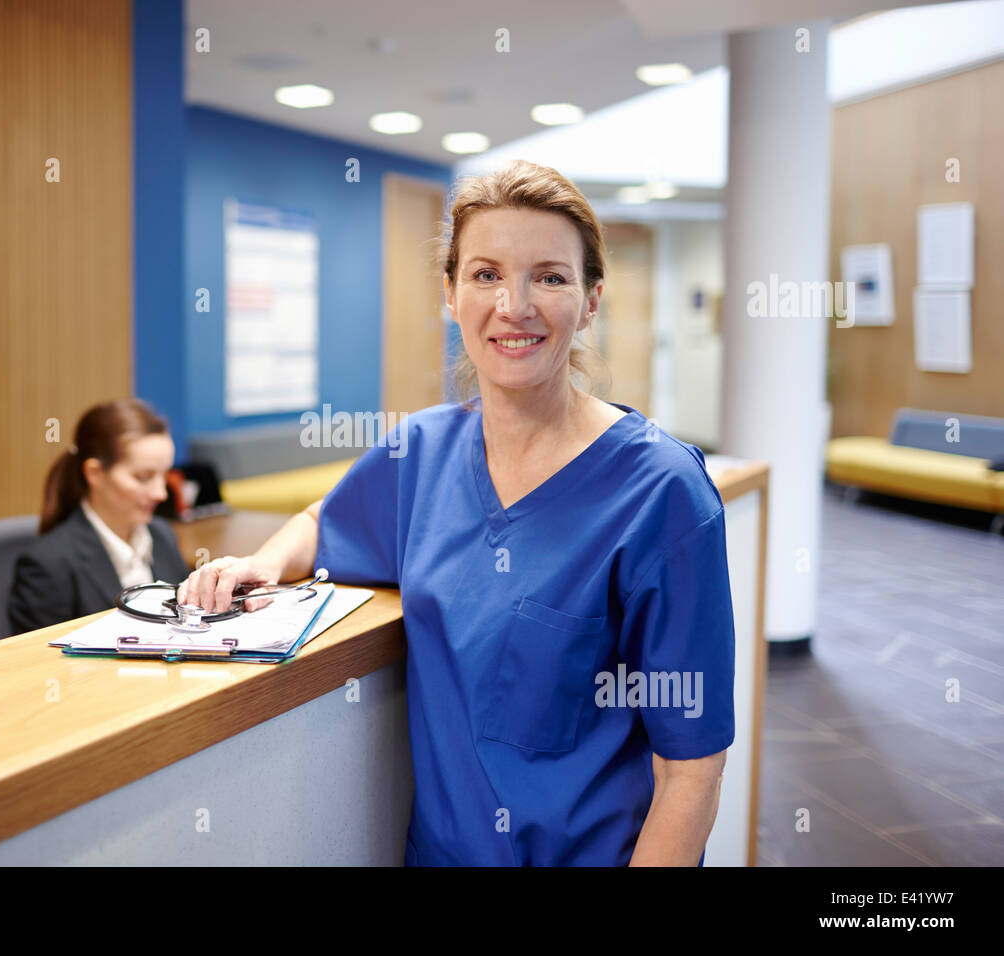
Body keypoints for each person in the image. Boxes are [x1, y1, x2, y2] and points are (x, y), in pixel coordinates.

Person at [178, 159, 735, 866]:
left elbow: (692, 770)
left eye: (551, 276)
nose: (515, 305)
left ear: (592, 300)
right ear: (449, 293)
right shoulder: (421, 452)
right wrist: (263, 563)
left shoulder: (661, 492)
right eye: (486, 274)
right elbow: (326, 520)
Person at [8, 398, 190, 633]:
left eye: (164, 475)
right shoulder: (48, 564)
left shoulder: (162, 534)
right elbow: (42, 663)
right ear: (94, 473)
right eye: (143, 477)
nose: (160, 493)